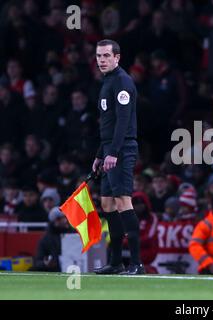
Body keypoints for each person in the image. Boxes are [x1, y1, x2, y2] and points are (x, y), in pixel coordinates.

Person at [91, 39, 144, 275]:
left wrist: (113, 152)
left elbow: (123, 121)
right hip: (109, 149)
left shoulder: (122, 82)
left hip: (122, 149)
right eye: (98, 56)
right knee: (107, 203)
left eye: (105, 56)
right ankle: (115, 262)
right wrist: (100, 154)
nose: (101, 60)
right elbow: (108, 123)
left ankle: (136, 263)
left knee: (123, 201)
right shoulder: (107, 82)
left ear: (117, 57)